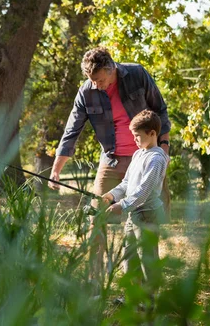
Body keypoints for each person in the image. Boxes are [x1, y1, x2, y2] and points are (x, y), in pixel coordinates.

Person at [48, 46, 171, 282]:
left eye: (100, 79)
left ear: (111, 68)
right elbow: (71, 130)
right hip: (112, 158)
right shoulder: (87, 92)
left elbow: (160, 110)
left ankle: (148, 286)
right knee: (96, 215)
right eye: (91, 80)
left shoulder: (137, 74)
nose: (96, 85)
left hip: (147, 156)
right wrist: (56, 169)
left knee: (147, 218)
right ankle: (96, 283)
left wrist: (163, 149)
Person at [102, 110, 168, 303]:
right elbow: (127, 183)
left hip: (148, 215)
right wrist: (111, 195)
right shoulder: (139, 154)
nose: (135, 140)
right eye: (133, 136)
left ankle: (150, 300)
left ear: (152, 133)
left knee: (147, 257)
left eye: (138, 136)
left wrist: (121, 205)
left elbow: (143, 191)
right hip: (134, 214)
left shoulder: (156, 159)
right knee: (128, 256)